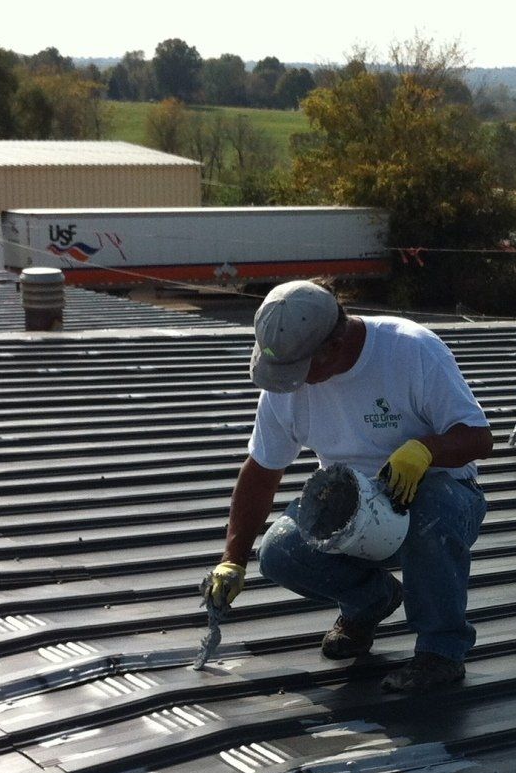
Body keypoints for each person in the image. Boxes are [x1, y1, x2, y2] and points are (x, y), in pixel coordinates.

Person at [200, 280, 493, 694]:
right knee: (281, 553)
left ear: (334, 344)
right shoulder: (288, 384)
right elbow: (262, 471)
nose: (296, 382)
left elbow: (480, 438)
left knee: (432, 507)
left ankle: (440, 651)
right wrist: (233, 559)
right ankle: (369, 602)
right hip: (355, 506)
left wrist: (427, 450)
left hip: (437, 494)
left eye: (303, 371)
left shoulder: (410, 350)